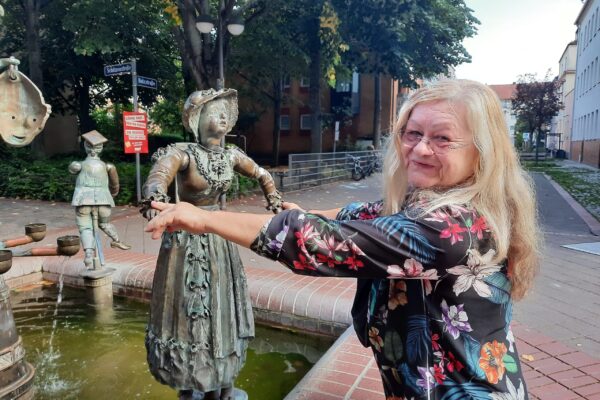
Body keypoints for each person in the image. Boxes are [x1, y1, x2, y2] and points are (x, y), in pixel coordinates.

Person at [144, 79, 540, 399]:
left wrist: (204, 219)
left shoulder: (451, 228)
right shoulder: (428, 199)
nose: (420, 148)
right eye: (413, 132)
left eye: (442, 139)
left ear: (482, 151)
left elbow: (323, 244)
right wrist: (298, 213)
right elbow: (359, 216)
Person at [140, 88, 282, 400]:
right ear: (196, 118)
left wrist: (273, 197)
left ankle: (224, 382)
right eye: (212, 110)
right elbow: (157, 179)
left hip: (220, 235)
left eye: (224, 112)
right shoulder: (181, 152)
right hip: (184, 239)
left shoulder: (231, 155)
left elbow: (262, 174)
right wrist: (155, 200)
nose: (221, 116)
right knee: (190, 311)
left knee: (223, 305)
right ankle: (189, 382)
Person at [69, 130, 131, 269]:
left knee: (85, 227)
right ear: (100, 149)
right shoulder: (109, 167)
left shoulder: (78, 165)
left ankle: (89, 256)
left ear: (85, 147)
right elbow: (115, 185)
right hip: (103, 200)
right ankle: (116, 240)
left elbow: (72, 170)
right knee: (104, 223)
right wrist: (113, 194)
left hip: (83, 200)